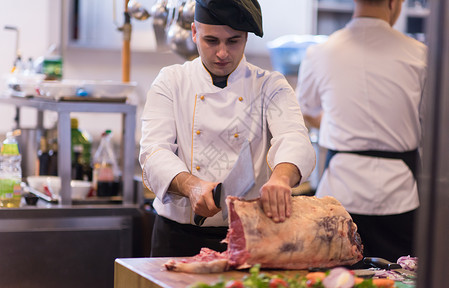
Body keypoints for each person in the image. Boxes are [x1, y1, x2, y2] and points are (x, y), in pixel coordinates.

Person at [139, 0, 316, 257]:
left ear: (245, 38)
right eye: (212, 41)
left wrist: (281, 178)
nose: (222, 53)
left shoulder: (270, 86)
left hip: (252, 236)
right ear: (194, 33)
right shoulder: (171, 81)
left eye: (233, 41)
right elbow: (154, 152)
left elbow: (294, 138)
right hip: (177, 237)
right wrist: (191, 186)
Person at [296, 0, 427, 262]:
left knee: (336, 279)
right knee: (397, 279)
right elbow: (430, 120)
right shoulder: (420, 54)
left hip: (339, 193)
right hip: (399, 193)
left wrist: (340, 124)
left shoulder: (320, 52)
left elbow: (307, 110)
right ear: (395, 3)